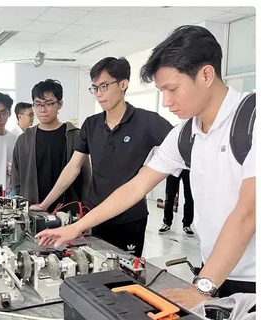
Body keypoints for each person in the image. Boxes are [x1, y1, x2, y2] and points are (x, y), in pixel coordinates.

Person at [36, 25, 256, 308]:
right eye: (161, 90)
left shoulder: (252, 121)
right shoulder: (185, 133)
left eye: (172, 89)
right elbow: (136, 186)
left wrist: (202, 288)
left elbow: (248, 214)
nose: (166, 101)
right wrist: (75, 227)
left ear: (206, 74)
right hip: (214, 272)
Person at [31, 58, 173, 257]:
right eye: (95, 88)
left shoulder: (148, 121)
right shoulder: (91, 124)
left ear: (123, 84)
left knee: (125, 273)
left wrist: (152, 170)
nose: (98, 94)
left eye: (104, 86)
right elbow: (73, 167)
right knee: (94, 267)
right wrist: (45, 204)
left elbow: (178, 149)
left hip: (130, 217)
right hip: (95, 215)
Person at [11, 79, 91, 213]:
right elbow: (16, 180)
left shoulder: (75, 136)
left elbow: (86, 180)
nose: (42, 109)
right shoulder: (24, 140)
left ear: (60, 104)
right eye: (38, 104)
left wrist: (86, 211)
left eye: (48, 104)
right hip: (33, 210)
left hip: (68, 212)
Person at [159, 169, 195, 236]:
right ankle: (167, 223)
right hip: (175, 166)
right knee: (169, 197)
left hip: (188, 167)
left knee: (189, 197)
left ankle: (187, 225)